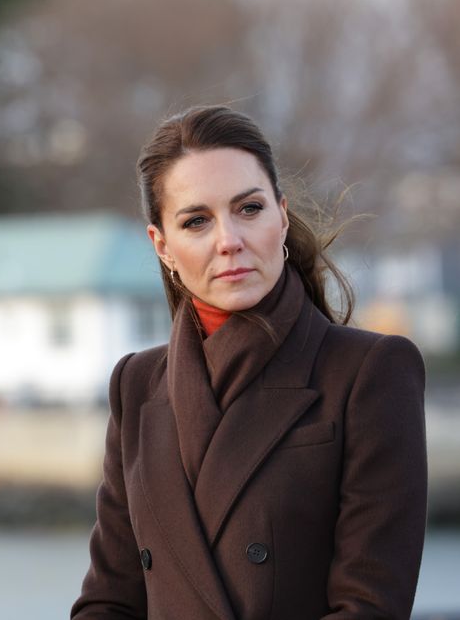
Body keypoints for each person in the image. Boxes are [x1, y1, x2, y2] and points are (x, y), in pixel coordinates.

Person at [72, 105, 426, 619]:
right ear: (162, 246)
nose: (229, 241)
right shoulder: (137, 383)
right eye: (197, 221)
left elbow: (370, 606)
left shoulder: (370, 370)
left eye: (249, 209)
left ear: (282, 214)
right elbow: (108, 599)